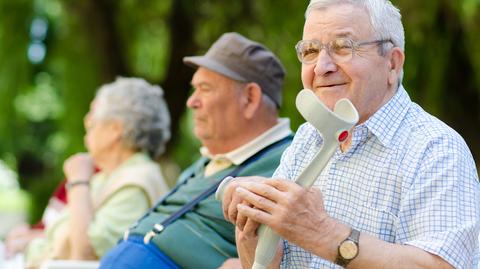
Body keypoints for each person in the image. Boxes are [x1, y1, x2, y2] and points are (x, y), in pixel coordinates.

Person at [221, 1, 480, 269]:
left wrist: (323, 234)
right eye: (310, 51)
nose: (321, 67)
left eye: (343, 47)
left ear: (392, 63)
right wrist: (253, 230)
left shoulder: (437, 149)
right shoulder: (307, 139)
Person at [99, 32, 293, 269]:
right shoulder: (205, 163)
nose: (192, 102)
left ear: (250, 98)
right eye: (194, 89)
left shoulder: (291, 163)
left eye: (205, 88)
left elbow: (292, 259)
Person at [25, 77, 171, 268]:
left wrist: (78, 182)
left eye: (93, 114)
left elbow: (84, 254)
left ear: (115, 130)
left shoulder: (137, 182)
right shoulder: (109, 177)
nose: (86, 121)